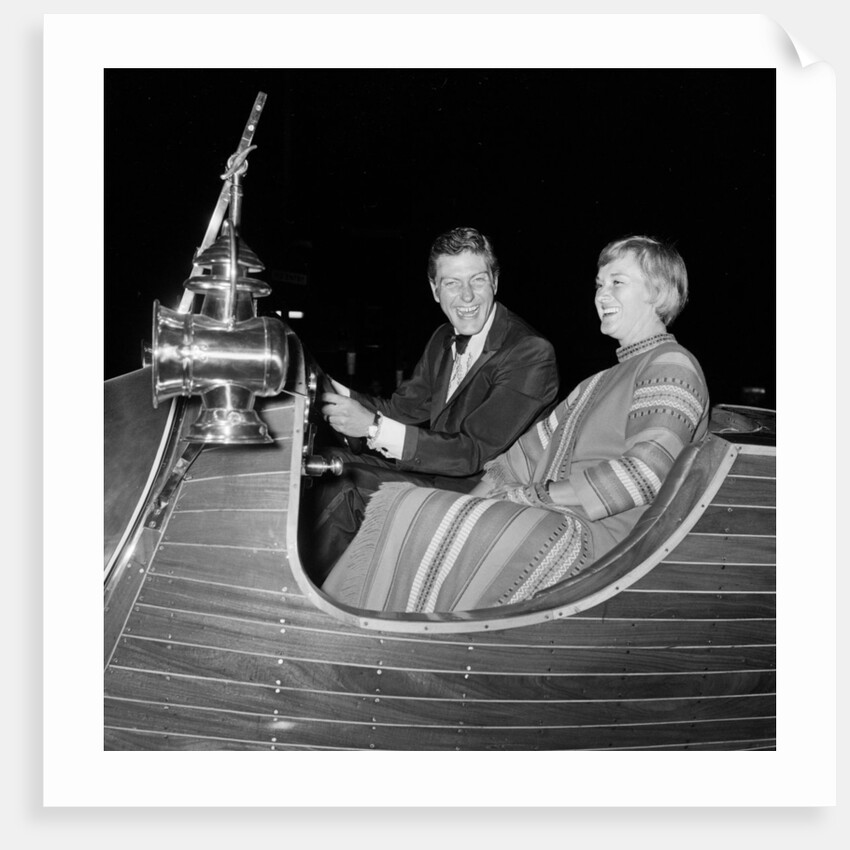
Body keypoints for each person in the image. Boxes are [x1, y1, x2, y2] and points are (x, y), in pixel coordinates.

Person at [323, 235, 710, 612]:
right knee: (410, 504)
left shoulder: (671, 364)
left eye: (617, 283)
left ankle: (355, 627)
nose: (601, 295)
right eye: (599, 284)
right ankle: (357, 622)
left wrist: (532, 497)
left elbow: (643, 475)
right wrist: (462, 502)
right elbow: (518, 460)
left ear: (658, 293)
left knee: (406, 507)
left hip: (603, 546)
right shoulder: (599, 381)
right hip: (557, 518)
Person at [301, 226, 559, 584]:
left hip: (488, 496)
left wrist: (373, 429)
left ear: (495, 282)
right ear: (435, 290)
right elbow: (401, 409)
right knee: (331, 465)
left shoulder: (530, 352)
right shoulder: (443, 338)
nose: (466, 296)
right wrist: (329, 390)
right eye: (452, 283)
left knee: (346, 488)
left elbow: (472, 453)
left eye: (478, 281)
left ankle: (310, 598)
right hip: (438, 478)